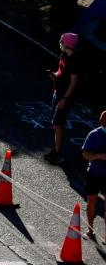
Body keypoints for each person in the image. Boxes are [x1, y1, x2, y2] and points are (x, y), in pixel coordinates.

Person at [45, 32, 81, 165]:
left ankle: (58, 153)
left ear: (66, 44)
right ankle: (55, 149)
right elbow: (60, 72)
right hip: (58, 92)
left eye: (61, 41)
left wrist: (64, 99)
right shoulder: (64, 56)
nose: (59, 43)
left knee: (58, 124)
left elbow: (74, 82)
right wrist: (54, 75)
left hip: (65, 96)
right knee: (55, 123)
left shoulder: (75, 61)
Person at [81, 111, 106, 243]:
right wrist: (99, 156)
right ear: (101, 122)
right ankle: (91, 230)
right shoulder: (94, 135)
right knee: (92, 201)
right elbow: (85, 154)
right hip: (94, 173)